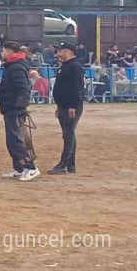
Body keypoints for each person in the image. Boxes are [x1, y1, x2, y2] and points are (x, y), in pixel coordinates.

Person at [0, 41, 39, 181]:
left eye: (3, 51)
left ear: (9, 51)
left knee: (16, 140)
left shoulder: (16, 67)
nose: (1, 53)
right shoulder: (13, 66)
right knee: (12, 140)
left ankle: (31, 167)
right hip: (9, 108)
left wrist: (19, 108)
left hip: (14, 110)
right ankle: (19, 168)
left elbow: (23, 89)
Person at [50, 42, 85, 175]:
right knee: (68, 134)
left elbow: (77, 87)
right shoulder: (65, 67)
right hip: (64, 106)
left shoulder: (75, 66)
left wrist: (73, 106)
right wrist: (59, 105)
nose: (58, 54)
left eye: (61, 51)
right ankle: (70, 165)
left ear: (68, 51)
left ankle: (63, 164)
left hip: (71, 106)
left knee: (68, 134)